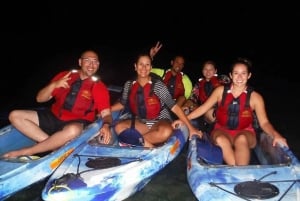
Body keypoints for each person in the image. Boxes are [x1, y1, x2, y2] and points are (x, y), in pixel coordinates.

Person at [174, 57, 288, 165]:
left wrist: (276, 134)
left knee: (241, 139)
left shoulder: (256, 97)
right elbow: (203, 108)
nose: (239, 77)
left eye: (243, 73)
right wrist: (183, 119)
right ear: (231, 75)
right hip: (221, 130)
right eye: (236, 73)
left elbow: (264, 123)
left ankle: (240, 169)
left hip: (246, 133)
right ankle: (237, 170)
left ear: (249, 75)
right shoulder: (220, 91)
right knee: (220, 139)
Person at [3, 50, 113, 158]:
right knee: (15, 115)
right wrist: (55, 84)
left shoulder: (99, 87)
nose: (91, 65)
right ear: (80, 62)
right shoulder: (65, 75)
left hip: (76, 121)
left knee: (73, 130)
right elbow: (40, 99)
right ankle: (52, 146)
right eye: (87, 60)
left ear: (98, 64)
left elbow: (106, 114)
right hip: (54, 115)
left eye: (95, 61)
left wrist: (106, 125)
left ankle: (28, 151)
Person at [111, 53, 202, 147]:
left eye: (147, 65)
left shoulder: (158, 85)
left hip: (160, 120)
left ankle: (134, 142)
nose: (144, 68)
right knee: (119, 127)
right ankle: (146, 144)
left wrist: (191, 128)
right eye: (141, 64)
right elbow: (122, 104)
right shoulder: (129, 85)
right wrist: (106, 109)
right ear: (135, 66)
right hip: (141, 121)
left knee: (166, 132)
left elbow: (174, 107)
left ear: (150, 68)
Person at [183, 60, 230, 124]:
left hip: (221, 108)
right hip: (204, 109)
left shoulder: (222, 79)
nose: (208, 72)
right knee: (187, 108)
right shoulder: (198, 84)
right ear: (202, 71)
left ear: (215, 71)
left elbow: (231, 91)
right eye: (205, 69)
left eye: (211, 69)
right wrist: (186, 105)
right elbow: (192, 98)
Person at [150, 41, 193, 107]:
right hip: (160, 102)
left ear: (183, 66)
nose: (179, 65)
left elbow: (188, 96)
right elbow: (145, 70)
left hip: (177, 105)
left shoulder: (186, 79)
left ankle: (173, 115)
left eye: (181, 64)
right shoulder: (162, 73)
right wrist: (151, 56)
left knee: (183, 98)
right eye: (177, 62)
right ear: (172, 62)